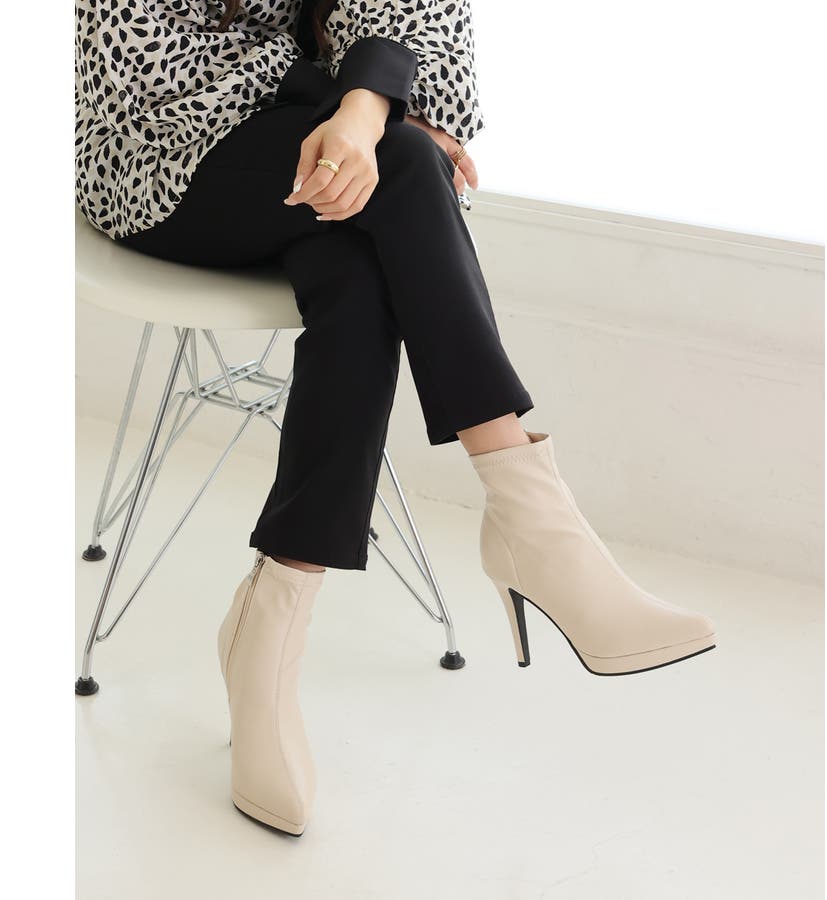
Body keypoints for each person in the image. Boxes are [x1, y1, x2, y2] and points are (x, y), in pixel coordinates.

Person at [75, 0, 717, 837]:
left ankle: (269, 627)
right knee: (406, 166)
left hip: (316, 139)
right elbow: (143, 59)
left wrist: (364, 107)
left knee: (360, 270)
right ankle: (534, 524)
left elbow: (416, 15)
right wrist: (361, 106)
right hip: (155, 152)